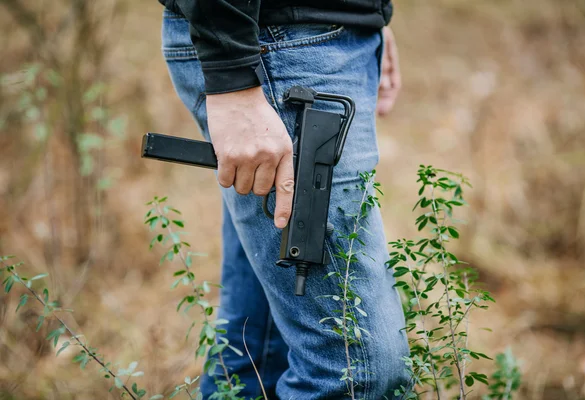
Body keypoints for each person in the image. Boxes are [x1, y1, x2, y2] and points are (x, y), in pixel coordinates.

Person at [158, 0, 408, 398]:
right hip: (272, 46)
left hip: (311, 34)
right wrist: (233, 74)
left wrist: (366, 14)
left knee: (254, 356)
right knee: (354, 370)